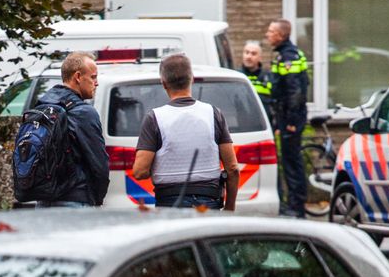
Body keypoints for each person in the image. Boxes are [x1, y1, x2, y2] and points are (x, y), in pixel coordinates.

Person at [131, 52, 240, 210]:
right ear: (192, 79)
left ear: (163, 83)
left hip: (170, 205)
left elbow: (140, 171)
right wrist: (229, 208)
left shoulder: (155, 118)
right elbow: (232, 169)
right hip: (209, 202)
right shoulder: (214, 114)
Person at [32, 52, 109, 208]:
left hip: (43, 202)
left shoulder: (42, 107)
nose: (97, 83)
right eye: (93, 77)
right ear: (78, 77)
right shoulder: (83, 113)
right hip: (75, 200)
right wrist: (97, 199)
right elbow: (99, 164)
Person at [266, 18, 310, 219]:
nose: (267, 34)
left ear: (281, 35)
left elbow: (294, 91)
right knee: (291, 160)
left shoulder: (288, 56)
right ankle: (295, 204)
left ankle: (296, 207)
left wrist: (291, 121)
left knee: (292, 162)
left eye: (271, 31)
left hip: (290, 118)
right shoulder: (287, 54)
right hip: (287, 116)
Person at [240, 40, 274, 124]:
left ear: (260, 58)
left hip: (264, 126)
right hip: (241, 126)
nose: (249, 56)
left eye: (253, 53)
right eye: (246, 52)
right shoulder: (236, 77)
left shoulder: (269, 78)